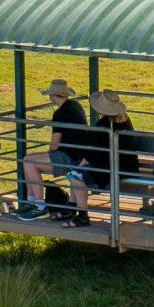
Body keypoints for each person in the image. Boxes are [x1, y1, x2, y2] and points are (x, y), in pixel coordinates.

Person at [22, 77, 110, 223]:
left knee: (29, 162)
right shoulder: (75, 106)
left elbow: (54, 145)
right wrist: (46, 123)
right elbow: (65, 123)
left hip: (67, 156)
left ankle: (38, 205)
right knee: (27, 159)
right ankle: (32, 202)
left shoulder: (59, 113)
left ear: (52, 96)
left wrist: (48, 158)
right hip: (78, 153)